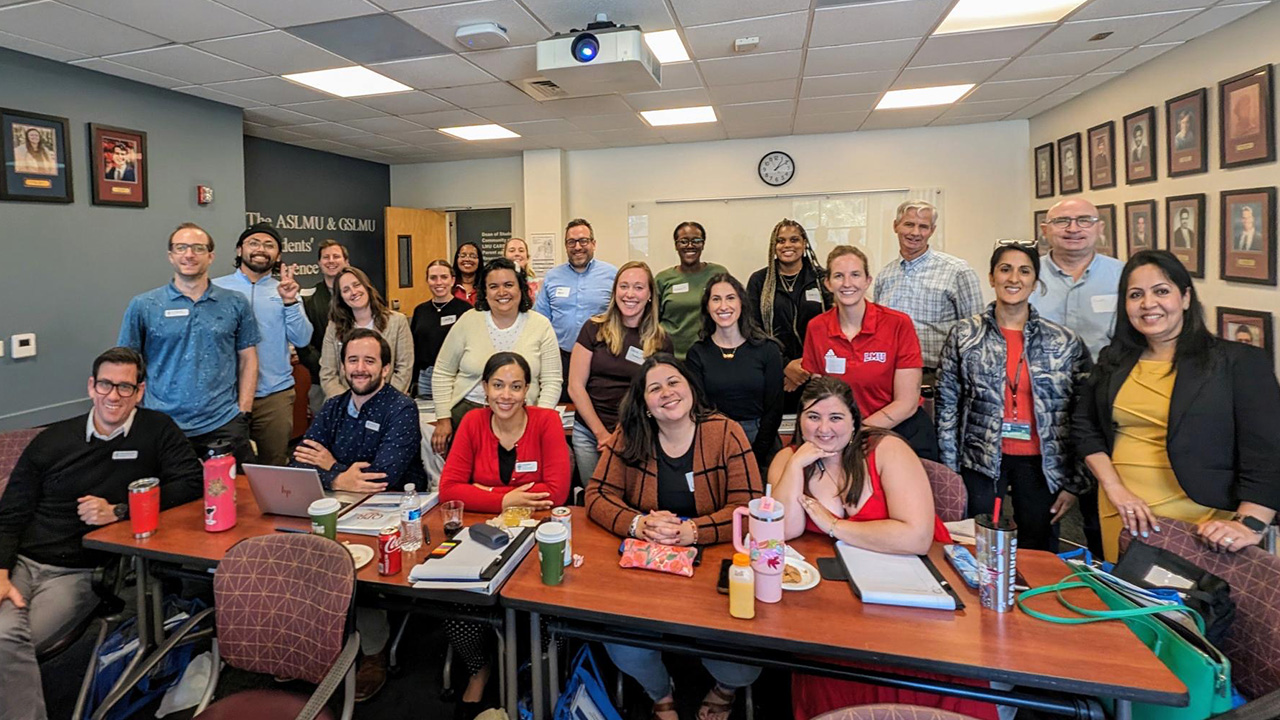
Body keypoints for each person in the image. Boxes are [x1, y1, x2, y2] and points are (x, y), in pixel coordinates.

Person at [0, 347, 203, 720]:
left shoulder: (156, 430)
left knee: (7, 641)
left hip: (78, 573)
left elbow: (190, 483)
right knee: (4, 640)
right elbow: (10, 512)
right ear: (91, 387)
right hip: (20, 564)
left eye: (125, 388)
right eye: (106, 384)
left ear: (139, 392)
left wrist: (119, 511)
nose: (114, 396)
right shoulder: (53, 439)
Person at [771, 378, 986, 720]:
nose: (824, 429)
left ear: (855, 421)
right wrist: (797, 465)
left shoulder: (886, 449)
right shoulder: (788, 457)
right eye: (813, 417)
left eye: (836, 418)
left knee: (919, 670)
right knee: (828, 664)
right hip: (838, 598)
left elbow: (916, 537)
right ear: (799, 420)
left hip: (917, 588)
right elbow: (784, 530)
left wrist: (834, 526)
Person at [585, 355, 762, 720]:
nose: (666, 393)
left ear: (691, 390)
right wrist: (637, 524)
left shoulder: (725, 432)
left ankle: (723, 689)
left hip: (710, 565)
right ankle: (660, 692)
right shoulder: (630, 432)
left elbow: (749, 508)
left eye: (673, 382)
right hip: (648, 569)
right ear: (645, 406)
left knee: (744, 665)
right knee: (622, 643)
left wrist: (693, 530)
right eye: (654, 388)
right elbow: (596, 496)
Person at [1073, 250, 1280, 562]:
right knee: (1123, 603)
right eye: (1135, 295)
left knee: (1185, 609)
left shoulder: (1237, 363)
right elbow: (1084, 426)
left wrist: (1250, 524)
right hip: (1121, 509)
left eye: (1161, 291)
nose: (1148, 304)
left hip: (1201, 522)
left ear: (1185, 298)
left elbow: (1267, 453)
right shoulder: (1113, 360)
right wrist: (1114, 488)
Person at [291, 328, 426, 701]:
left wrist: (332, 466)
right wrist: (340, 476)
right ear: (343, 365)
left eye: (370, 361)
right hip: (335, 503)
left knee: (353, 563)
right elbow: (299, 461)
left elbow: (382, 476)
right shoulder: (333, 407)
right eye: (353, 360)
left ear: (385, 368)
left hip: (392, 511)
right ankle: (309, 642)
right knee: (294, 549)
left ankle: (373, 651)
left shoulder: (400, 408)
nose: (360, 368)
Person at [436, 352, 571, 719]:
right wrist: (506, 498)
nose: (506, 395)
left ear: (527, 390)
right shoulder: (472, 423)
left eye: (515, 386)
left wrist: (481, 492)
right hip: (478, 539)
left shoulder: (545, 422)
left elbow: (557, 491)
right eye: (497, 385)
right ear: (484, 388)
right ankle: (479, 668)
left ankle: (535, 672)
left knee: (542, 609)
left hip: (534, 542)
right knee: (456, 603)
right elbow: (449, 490)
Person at [936, 241, 1092, 551]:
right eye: (1005, 269)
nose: (1014, 279)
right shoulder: (965, 335)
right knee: (976, 548)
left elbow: (1083, 414)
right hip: (979, 462)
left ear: (1035, 282)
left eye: (1024, 271)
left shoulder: (1064, 342)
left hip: (1041, 466)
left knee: (1038, 552)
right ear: (991, 277)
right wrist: (950, 471)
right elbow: (947, 405)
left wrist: (1076, 483)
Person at [119, 223, 259, 467]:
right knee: (173, 497)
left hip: (223, 422)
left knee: (236, 497)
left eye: (198, 248)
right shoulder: (144, 305)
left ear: (211, 256)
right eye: (181, 247)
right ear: (171, 255)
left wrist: (243, 411)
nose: (189, 254)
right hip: (162, 423)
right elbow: (126, 364)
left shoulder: (235, 303)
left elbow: (248, 357)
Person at [804, 245, 938, 461]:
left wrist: (858, 432)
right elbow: (820, 396)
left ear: (868, 280)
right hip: (842, 438)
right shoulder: (817, 328)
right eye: (839, 276)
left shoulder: (898, 324)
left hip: (899, 432)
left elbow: (907, 402)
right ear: (828, 284)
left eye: (855, 275)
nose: (847, 283)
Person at [432, 258, 562, 454]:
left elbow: (552, 380)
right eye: (494, 286)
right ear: (485, 291)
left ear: (521, 288)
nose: (502, 292)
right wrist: (443, 418)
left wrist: (540, 419)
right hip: (468, 414)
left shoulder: (541, 325)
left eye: (509, 285)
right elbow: (443, 371)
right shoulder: (468, 321)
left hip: (524, 415)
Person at [212, 222, 313, 466]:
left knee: (274, 467)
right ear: (239, 250)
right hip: (226, 397)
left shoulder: (285, 290)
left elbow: (302, 338)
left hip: (274, 397)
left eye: (269, 245)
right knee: (227, 468)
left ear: (277, 255)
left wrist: (290, 302)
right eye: (254, 243)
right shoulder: (216, 288)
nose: (261, 249)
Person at [566, 261, 671, 481]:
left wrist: (621, 434)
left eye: (639, 287)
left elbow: (659, 394)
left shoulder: (661, 340)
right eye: (624, 286)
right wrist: (602, 434)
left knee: (630, 500)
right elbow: (575, 386)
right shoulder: (593, 328)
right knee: (594, 500)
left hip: (637, 434)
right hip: (590, 434)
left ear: (650, 294)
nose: (630, 294)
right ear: (615, 291)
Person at [872, 200, 983, 378]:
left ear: (932, 230)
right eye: (909, 224)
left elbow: (976, 332)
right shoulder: (884, 276)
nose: (915, 233)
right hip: (890, 372)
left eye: (923, 226)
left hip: (938, 375)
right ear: (895, 226)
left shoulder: (958, 271)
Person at [686, 273, 784, 467]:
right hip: (715, 440)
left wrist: (756, 454)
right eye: (716, 299)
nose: (723, 306)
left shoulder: (767, 350)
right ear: (707, 307)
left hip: (762, 442)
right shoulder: (697, 354)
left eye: (730, 298)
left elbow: (774, 409)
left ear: (742, 303)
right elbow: (700, 408)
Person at [747, 219, 828, 411]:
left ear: (805, 243)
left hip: (818, 372)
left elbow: (832, 325)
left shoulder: (822, 278)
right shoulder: (759, 281)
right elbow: (752, 327)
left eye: (794, 240)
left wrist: (806, 367)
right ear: (774, 247)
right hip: (775, 372)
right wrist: (785, 367)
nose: (788, 245)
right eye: (781, 241)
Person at [533, 218, 618, 401]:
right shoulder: (552, 277)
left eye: (583, 241)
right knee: (564, 412)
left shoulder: (612, 275)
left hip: (601, 358)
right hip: (562, 359)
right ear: (566, 246)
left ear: (593, 244)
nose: (577, 246)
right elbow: (540, 320)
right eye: (571, 242)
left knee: (600, 407)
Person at [1032, 198, 1125, 361]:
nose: (1073, 229)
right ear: (1045, 230)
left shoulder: (1123, 276)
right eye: (1062, 221)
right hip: (1040, 381)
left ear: (1100, 228)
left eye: (1084, 221)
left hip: (1106, 380)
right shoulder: (1027, 275)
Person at [319, 267, 413, 399]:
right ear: (340, 297)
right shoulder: (334, 327)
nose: (353, 292)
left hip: (386, 402)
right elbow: (328, 374)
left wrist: (383, 401)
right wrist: (348, 403)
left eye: (357, 285)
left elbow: (404, 368)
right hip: (345, 405)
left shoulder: (397, 321)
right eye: (346, 290)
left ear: (366, 286)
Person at [656, 221, 728, 359]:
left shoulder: (718, 274)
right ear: (676, 245)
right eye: (683, 241)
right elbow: (652, 320)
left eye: (696, 241)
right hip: (670, 356)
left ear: (703, 244)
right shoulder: (662, 279)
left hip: (710, 355)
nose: (690, 245)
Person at [411, 260, 473, 401]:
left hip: (455, 376)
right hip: (425, 378)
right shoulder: (420, 311)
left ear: (452, 280)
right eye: (433, 278)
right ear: (427, 281)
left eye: (444, 277)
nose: (439, 282)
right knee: (426, 419)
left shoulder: (466, 310)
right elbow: (413, 348)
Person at [300, 240, 349, 414]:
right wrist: (323, 367)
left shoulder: (358, 295)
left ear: (346, 262)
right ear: (319, 263)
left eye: (336, 256)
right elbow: (303, 342)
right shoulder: (308, 298)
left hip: (357, 375)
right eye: (325, 257)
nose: (331, 261)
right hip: (321, 378)